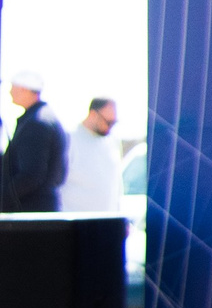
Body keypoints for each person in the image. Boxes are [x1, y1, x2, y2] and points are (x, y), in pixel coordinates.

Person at [3, 70, 68, 214]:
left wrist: (5, 197)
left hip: (32, 213)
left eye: (12, 88)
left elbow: (31, 175)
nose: (9, 92)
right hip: (41, 210)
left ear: (23, 89)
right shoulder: (44, 117)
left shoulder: (38, 123)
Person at [59, 98, 124, 218]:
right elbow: (57, 182)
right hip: (76, 225)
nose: (111, 127)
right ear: (93, 114)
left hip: (108, 223)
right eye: (108, 122)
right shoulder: (70, 138)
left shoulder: (113, 140)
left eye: (114, 122)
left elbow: (117, 183)